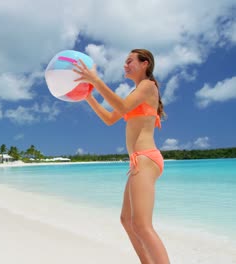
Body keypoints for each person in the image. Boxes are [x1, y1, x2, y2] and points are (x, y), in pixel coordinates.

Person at [73, 49, 170, 263]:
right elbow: (110, 118)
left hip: (146, 158)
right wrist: (88, 96)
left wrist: (96, 81)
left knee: (142, 225)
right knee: (126, 220)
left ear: (145, 64)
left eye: (130, 61)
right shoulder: (137, 93)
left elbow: (122, 106)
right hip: (139, 161)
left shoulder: (147, 86)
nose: (125, 65)